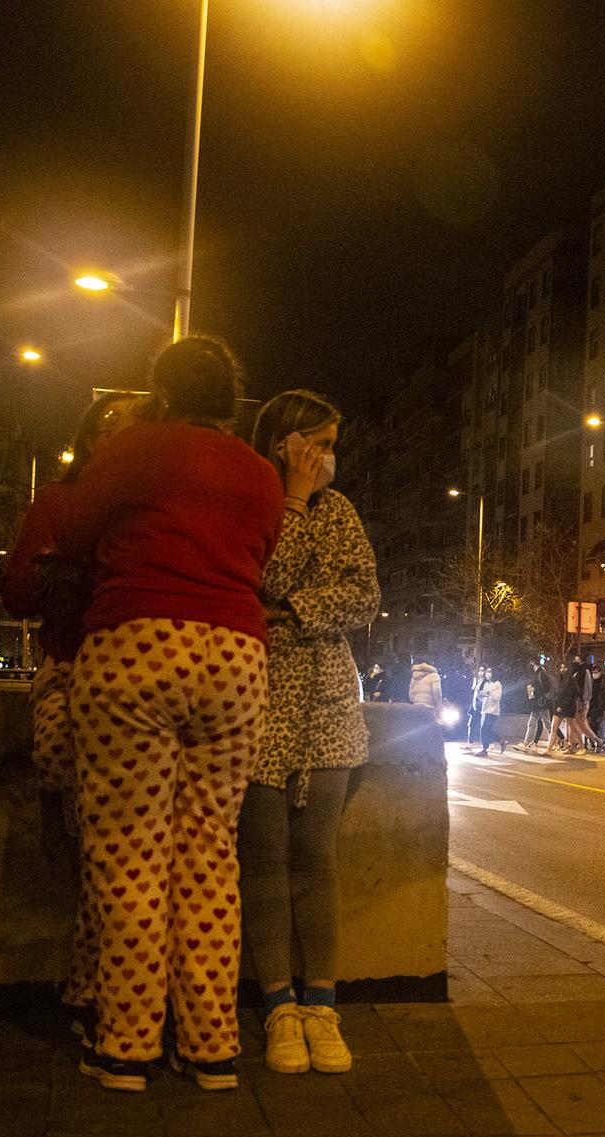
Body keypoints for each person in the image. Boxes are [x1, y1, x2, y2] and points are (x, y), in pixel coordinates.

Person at [55, 334, 285, 1094]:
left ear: (161, 390)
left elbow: (76, 532)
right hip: (235, 659)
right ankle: (213, 1045)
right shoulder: (259, 472)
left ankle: (127, 1044)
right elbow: (263, 553)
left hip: (135, 645)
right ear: (230, 398)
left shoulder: (134, 450)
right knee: (210, 849)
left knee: (129, 854)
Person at [236, 389, 381, 1079]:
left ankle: (321, 1003)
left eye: (330, 446)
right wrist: (290, 500)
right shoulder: (252, 504)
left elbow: (363, 596)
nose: (327, 459)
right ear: (284, 445)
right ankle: (276, 1004)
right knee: (263, 858)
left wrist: (290, 611)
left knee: (316, 857)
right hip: (261, 695)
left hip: (326, 699)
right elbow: (254, 577)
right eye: (316, 445)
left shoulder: (342, 512)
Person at [2, 389, 139, 1036]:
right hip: (68, 666)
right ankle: (96, 989)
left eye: (134, 428)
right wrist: (60, 576)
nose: (117, 435)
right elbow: (16, 592)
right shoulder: (58, 503)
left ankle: (90, 990)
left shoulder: (147, 509)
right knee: (86, 820)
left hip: (133, 679)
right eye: (107, 424)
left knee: (107, 848)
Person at [473, 665, 505, 756]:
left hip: (493, 711)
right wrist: (481, 694)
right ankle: (502, 742)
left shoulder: (497, 684)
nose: (488, 674)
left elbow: (497, 697)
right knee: (487, 730)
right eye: (487, 672)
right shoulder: (486, 683)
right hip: (485, 710)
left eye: (490, 671)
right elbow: (481, 696)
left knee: (484, 730)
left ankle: (484, 749)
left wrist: (489, 692)